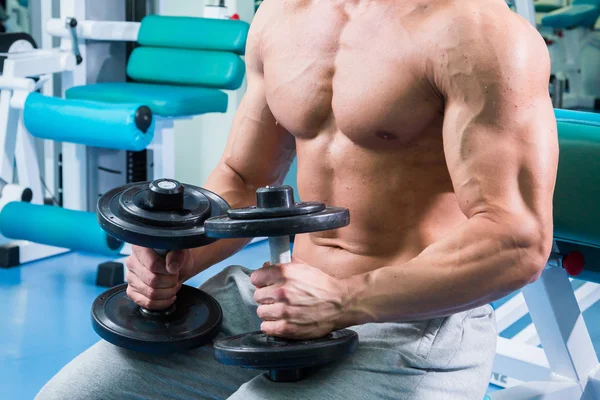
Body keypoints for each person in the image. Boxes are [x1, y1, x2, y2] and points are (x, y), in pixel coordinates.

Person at [36, 0, 558, 399]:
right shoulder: (283, 17)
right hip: (276, 299)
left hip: (410, 321)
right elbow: (242, 176)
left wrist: (346, 301)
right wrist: (179, 257)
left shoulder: (479, 34)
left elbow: (514, 239)